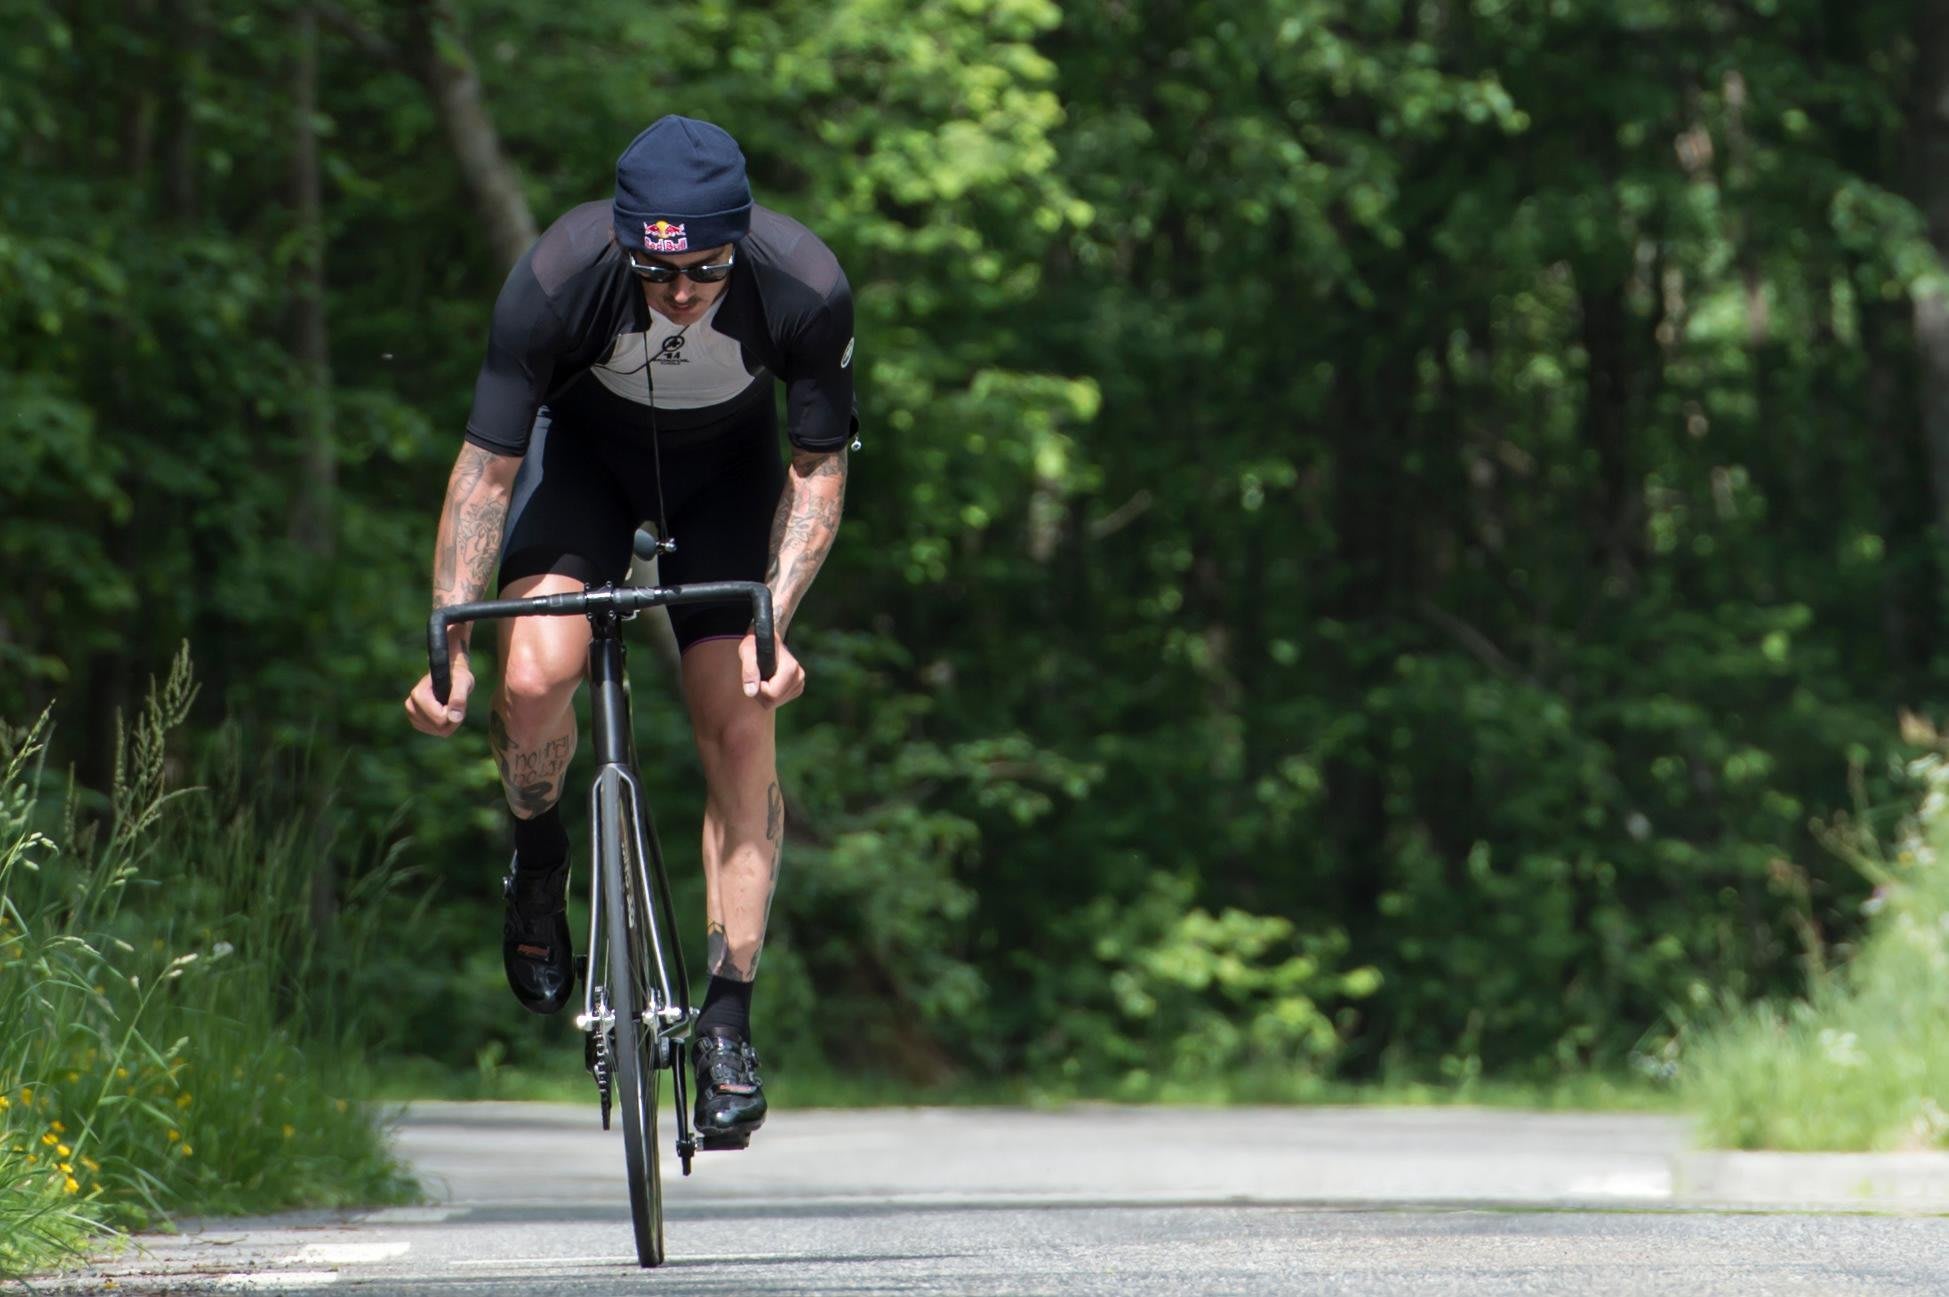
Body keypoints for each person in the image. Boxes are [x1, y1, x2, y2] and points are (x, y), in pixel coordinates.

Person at [402, 115, 856, 1148]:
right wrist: (451, 649)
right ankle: (539, 850)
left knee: (740, 716)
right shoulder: (559, 274)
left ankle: (728, 1023)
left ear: (737, 242)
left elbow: (817, 466)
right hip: (586, 467)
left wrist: (770, 626)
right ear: (623, 247)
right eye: (658, 278)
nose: (683, 294)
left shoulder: (804, 285)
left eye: (702, 270)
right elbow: (487, 470)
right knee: (534, 677)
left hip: (726, 477)